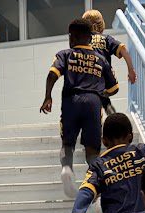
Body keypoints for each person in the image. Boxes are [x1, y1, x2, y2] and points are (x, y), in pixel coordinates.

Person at [40, 18, 119, 199]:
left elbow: (52, 74)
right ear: (90, 38)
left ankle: (67, 169)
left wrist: (48, 97)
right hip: (93, 103)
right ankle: (96, 186)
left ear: (71, 38)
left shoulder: (65, 54)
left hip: (71, 101)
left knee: (67, 143)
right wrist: (101, 92)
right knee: (92, 151)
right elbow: (114, 88)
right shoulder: (101, 59)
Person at [82, 9, 137, 116]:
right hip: (106, 78)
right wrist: (131, 71)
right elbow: (123, 50)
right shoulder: (106, 39)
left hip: (87, 77)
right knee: (102, 95)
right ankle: (110, 113)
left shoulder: (82, 41)